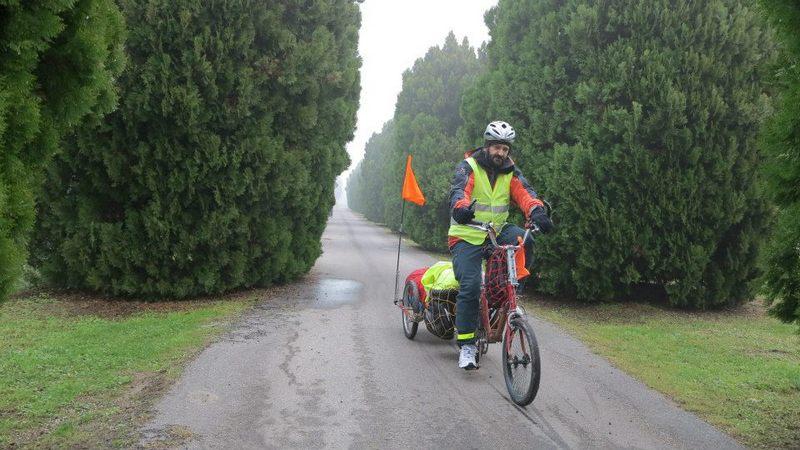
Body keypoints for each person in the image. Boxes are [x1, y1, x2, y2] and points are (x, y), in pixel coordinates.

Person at [448, 121, 553, 370]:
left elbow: (525, 193)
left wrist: (536, 211)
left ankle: (513, 289)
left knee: (524, 240)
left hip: (496, 231)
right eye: (496, 147)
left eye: (505, 149)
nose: (501, 154)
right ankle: (467, 347)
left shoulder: (510, 171)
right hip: (467, 233)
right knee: (471, 286)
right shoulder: (469, 166)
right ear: (487, 146)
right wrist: (461, 208)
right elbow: (459, 191)